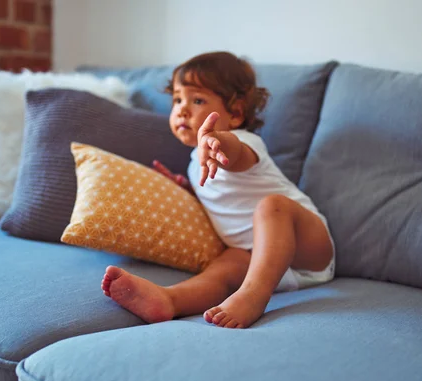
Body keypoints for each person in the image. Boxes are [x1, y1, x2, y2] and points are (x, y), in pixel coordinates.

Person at [101, 51, 335, 328]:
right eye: (177, 99)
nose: (182, 109)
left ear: (235, 114)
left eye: (197, 100)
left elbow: (234, 154)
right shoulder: (193, 164)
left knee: (273, 205)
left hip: (309, 246)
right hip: (257, 261)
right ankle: (169, 300)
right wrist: (186, 189)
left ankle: (253, 295)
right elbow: (221, 198)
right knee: (222, 268)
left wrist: (215, 142)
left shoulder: (244, 142)